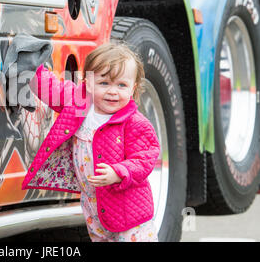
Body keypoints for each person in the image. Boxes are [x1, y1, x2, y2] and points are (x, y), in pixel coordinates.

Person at [22, 42, 160, 242]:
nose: (113, 91)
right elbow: (52, 90)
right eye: (104, 83)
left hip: (128, 211)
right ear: (88, 83)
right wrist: (32, 65)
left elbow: (145, 157)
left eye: (121, 85)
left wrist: (119, 172)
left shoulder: (134, 122)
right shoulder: (79, 104)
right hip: (93, 205)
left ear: (133, 88)